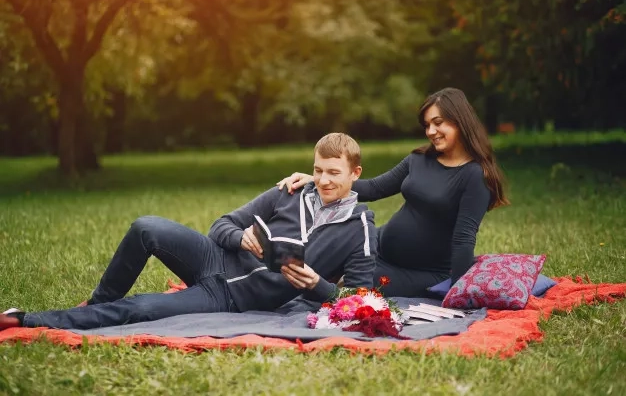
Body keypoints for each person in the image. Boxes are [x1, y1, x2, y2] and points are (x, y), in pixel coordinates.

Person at [0, 133, 377, 331]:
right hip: (217, 257)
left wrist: (316, 285)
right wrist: (238, 238)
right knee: (146, 226)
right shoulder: (289, 191)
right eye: (318, 170)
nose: (323, 180)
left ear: (355, 174)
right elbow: (220, 225)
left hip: (229, 298)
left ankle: (29, 319)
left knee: (143, 308)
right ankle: (98, 303)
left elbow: (361, 300)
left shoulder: (360, 227)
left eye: (333, 173)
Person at [277, 88, 509, 297]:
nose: (431, 131)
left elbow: (464, 238)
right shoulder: (419, 159)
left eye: (438, 123)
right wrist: (319, 179)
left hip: (423, 271)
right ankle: (266, 278)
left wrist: (458, 292)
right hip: (379, 245)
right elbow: (375, 188)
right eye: (427, 125)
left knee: (353, 285)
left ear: (460, 121)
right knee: (326, 252)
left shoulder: (475, 176)